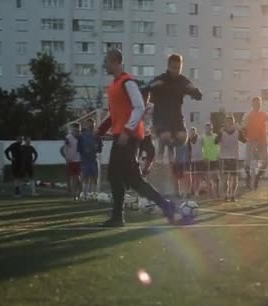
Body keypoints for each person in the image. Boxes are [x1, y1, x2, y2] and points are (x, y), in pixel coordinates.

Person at [98, 49, 175, 227]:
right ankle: (163, 207)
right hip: (121, 135)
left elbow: (139, 107)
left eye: (106, 61)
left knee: (123, 177)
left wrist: (126, 130)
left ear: (116, 62)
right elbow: (115, 114)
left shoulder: (127, 82)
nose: (104, 64)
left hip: (127, 137)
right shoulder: (115, 85)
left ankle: (120, 216)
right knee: (126, 178)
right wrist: (100, 130)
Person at [145, 53, 202, 164]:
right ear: (168, 66)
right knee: (166, 137)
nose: (176, 71)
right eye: (174, 68)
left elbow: (198, 95)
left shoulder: (182, 81)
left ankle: (170, 153)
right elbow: (144, 88)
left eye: (179, 68)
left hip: (176, 118)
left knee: (182, 138)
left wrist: (194, 91)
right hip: (161, 117)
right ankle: (160, 155)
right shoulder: (161, 79)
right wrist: (153, 86)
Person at [242, 96, 268, 190]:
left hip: (263, 142)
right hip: (251, 141)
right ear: (252, 104)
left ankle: (257, 177)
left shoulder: (264, 114)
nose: (257, 105)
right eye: (255, 103)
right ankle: (248, 177)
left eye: (259, 103)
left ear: (261, 104)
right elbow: (243, 126)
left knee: (266, 162)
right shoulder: (249, 114)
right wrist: (245, 134)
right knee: (249, 162)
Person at [215, 116, 247, 202]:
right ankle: (225, 195)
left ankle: (232, 195)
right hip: (224, 158)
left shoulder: (237, 132)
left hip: (234, 157)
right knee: (225, 179)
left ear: (233, 123)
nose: (229, 124)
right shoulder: (222, 132)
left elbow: (244, 140)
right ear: (225, 123)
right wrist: (219, 132)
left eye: (231, 122)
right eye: (227, 122)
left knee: (234, 178)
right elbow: (215, 142)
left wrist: (240, 130)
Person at [77, 118, 102, 200]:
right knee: (85, 177)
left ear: (94, 125)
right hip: (85, 160)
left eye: (92, 125)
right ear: (86, 125)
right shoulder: (82, 136)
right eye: (89, 124)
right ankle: (85, 194)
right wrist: (84, 150)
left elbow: (100, 148)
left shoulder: (97, 135)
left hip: (94, 159)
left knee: (94, 177)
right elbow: (79, 149)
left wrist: (97, 147)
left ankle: (94, 194)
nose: (90, 126)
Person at [60, 123, 82, 199]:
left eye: (78, 130)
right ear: (72, 130)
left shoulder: (81, 137)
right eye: (75, 130)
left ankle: (78, 193)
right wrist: (66, 158)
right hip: (71, 161)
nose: (77, 132)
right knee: (74, 178)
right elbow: (64, 149)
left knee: (78, 178)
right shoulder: (68, 138)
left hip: (79, 160)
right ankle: (75, 194)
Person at [203, 123, 221, 198]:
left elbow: (220, 146)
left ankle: (217, 194)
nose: (208, 129)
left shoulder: (215, 136)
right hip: (207, 161)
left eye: (210, 128)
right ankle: (209, 195)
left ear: (212, 128)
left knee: (216, 179)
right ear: (205, 129)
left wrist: (219, 155)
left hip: (216, 160)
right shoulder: (202, 137)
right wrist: (204, 157)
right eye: (207, 128)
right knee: (208, 179)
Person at [188, 127, 206, 196]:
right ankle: (192, 190)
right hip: (192, 161)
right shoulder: (189, 140)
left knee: (199, 176)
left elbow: (205, 146)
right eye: (191, 132)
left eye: (193, 131)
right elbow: (188, 150)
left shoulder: (200, 138)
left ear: (195, 132)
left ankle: (198, 191)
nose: (192, 133)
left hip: (200, 160)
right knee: (192, 176)